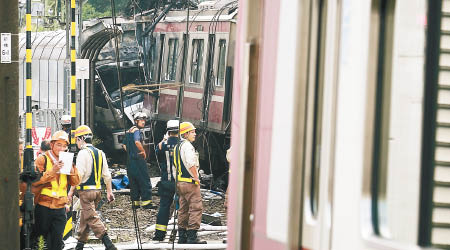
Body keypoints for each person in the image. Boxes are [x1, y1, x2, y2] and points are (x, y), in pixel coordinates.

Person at [68, 125, 117, 250]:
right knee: (86, 218)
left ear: (82, 138)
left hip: (86, 192)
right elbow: (107, 175)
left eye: (77, 140)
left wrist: (71, 192)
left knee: (91, 217)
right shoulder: (100, 153)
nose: (77, 143)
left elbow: (78, 176)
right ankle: (79, 246)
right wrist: (109, 191)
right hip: (97, 191)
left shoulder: (82, 153)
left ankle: (109, 244)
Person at [32, 130, 81, 250]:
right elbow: (34, 181)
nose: (62, 148)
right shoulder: (42, 159)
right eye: (59, 145)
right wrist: (52, 171)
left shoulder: (67, 160)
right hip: (43, 206)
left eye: (64, 146)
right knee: (41, 243)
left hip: (60, 207)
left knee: (57, 243)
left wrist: (72, 171)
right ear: (52, 145)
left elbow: (76, 182)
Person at [173, 122, 206, 244]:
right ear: (185, 134)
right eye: (192, 132)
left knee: (183, 209)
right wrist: (196, 178)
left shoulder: (177, 146)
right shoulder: (187, 146)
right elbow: (191, 163)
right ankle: (192, 237)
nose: (195, 134)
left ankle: (182, 236)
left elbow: (175, 166)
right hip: (190, 183)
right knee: (196, 208)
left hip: (181, 182)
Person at [153, 120, 180, 241]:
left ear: (168, 131)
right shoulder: (182, 144)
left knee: (164, 207)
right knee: (183, 207)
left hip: (166, 181)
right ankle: (182, 234)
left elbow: (156, 152)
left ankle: (159, 234)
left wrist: (164, 140)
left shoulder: (162, 145)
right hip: (180, 182)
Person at [122, 112, 156, 209]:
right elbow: (137, 142)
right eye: (141, 120)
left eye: (144, 120)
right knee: (144, 180)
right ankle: (146, 203)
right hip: (138, 159)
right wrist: (143, 151)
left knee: (133, 182)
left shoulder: (129, 130)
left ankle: (135, 203)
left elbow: (124, 145)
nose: (143, 122)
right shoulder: (136, 131)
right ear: (136, 121)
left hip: (130, 160)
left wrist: (130, 152)